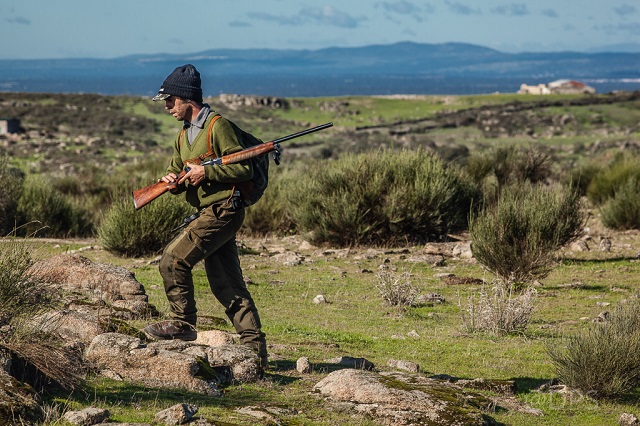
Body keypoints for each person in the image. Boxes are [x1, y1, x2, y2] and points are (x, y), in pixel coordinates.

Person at [143, 64, 268, 369]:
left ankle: (182, 325)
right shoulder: (183, 135)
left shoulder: (218, 127)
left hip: (225, 209)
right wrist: (171, 181)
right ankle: (255, 353)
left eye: (170, 100)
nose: (167, 107)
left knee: (173, 260)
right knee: (227, 285)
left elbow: (244, 169)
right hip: (209, 211)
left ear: (187, 98)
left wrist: (207, 171)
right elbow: (177, 170)